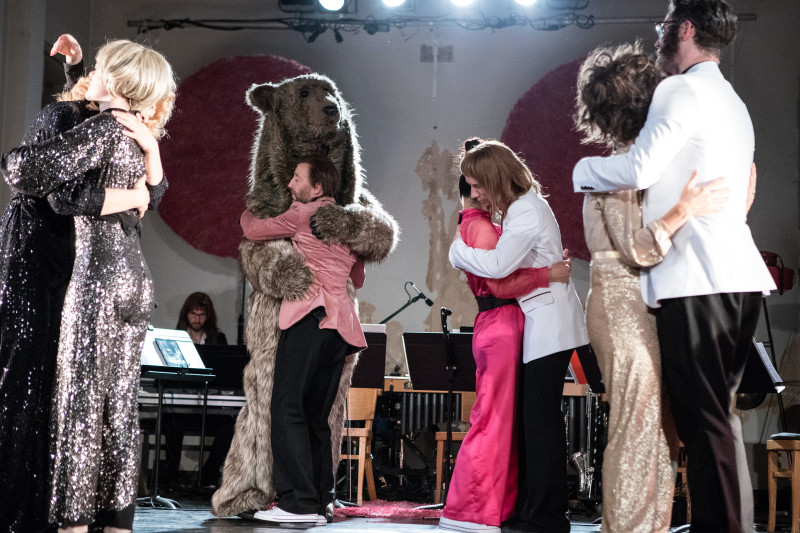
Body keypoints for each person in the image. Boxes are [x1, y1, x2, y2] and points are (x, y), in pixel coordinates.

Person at [572, 2, 775, 531]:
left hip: (696, 279)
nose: (658, 32)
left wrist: (581, 170)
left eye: (665, 23)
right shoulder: (732, 100)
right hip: (737, 276)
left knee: (703, 424)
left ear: (684, 29)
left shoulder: (680, 89)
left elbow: (641, 167)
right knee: (713, 421)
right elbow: (738, 185)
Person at [2, 39, 176, 532]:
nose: (88, 75)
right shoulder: (137, 131)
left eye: (98, 67)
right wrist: (144, 183)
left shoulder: (99, 124)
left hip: (93, 276)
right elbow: (150, 190)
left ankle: (72, 523)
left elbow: (29, 173)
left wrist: (139, 193)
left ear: (116, 79)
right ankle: (116, 521)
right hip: (132, 278)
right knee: (118, 408)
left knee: (77, 406)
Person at [449, 140, 588, 533]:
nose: (475, 193)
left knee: (540, 423)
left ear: (495, 178)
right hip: (541, 320)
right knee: (535, 421)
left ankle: (546, 516)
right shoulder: (520, 208)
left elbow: (497, 266)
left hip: (548, 323)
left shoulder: (525, 209)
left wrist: (457, 252)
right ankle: (534, 510)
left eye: (478, 185)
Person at [239, 155, 365, 528]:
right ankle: (321, 499)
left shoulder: (302, 213)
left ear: (317, 187)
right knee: (315, 417)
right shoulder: (348, 222)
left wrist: (251, 209)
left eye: (297, 178)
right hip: (341, 327)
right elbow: (358, 276)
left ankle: (297, 502)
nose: (291, 184)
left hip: (311, 318)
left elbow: (254, 230)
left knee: (287, 408)